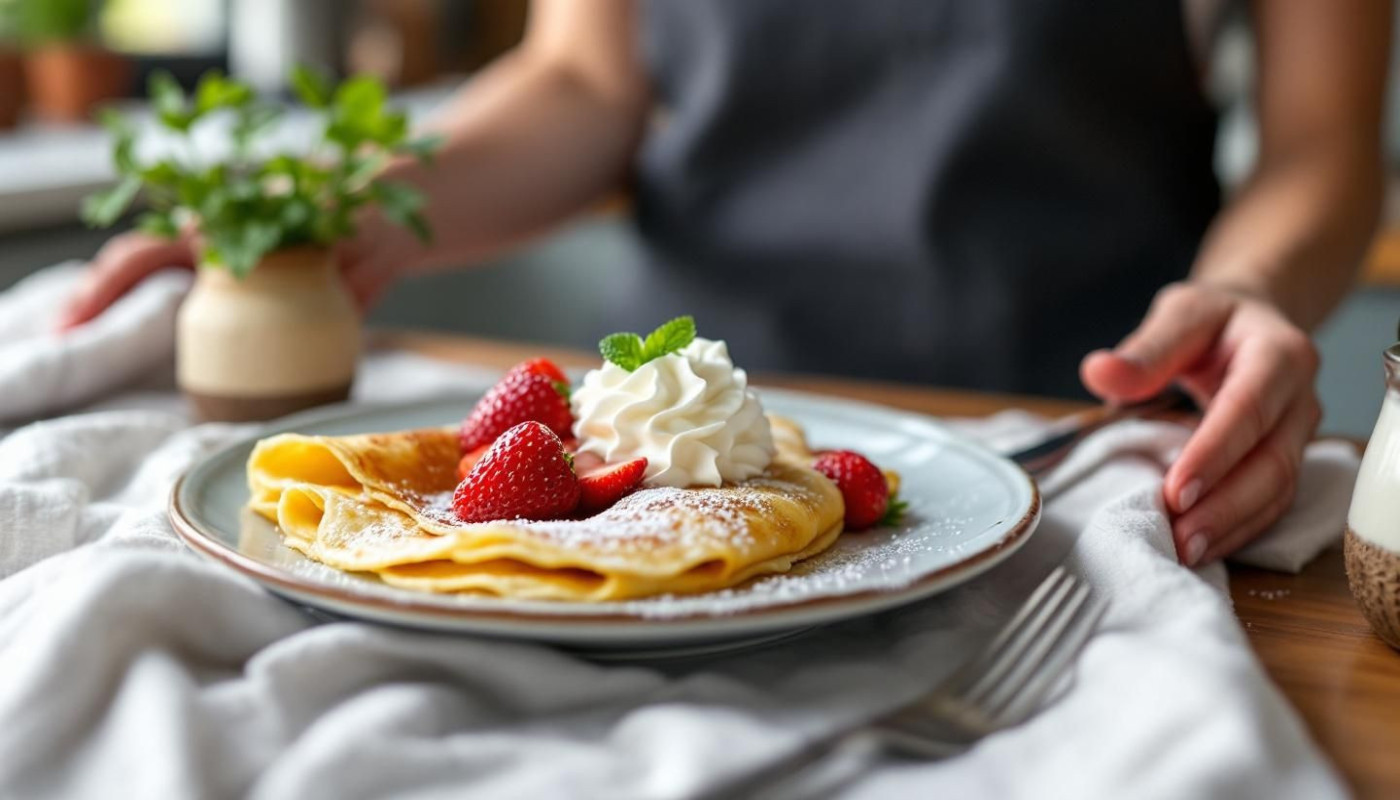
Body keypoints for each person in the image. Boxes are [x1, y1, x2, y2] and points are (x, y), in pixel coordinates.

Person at [56, 0, 1390, 566]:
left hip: (1081, 447)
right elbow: (586, 80)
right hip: (659, 470)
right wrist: (318, 209)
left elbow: (1321, 150)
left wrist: (1251, 290)